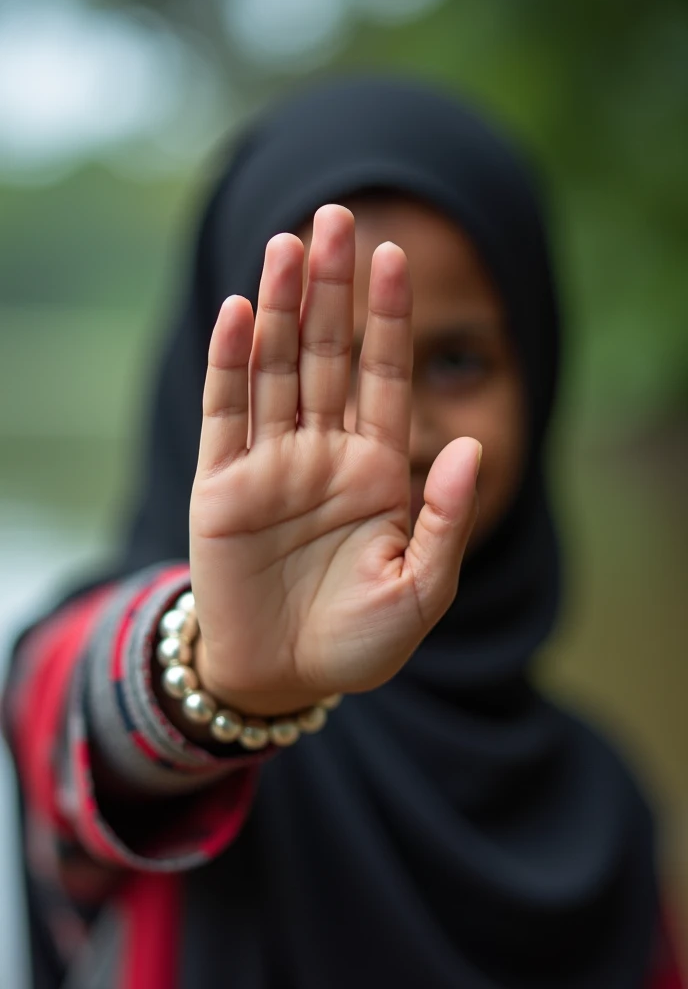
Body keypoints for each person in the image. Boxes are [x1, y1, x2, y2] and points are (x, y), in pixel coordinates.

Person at [1, 77, 683, 989]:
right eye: (329, 364)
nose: (386, 432)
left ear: (542, 374)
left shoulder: (604, 803)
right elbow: (78, 721)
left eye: (453, 360)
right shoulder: (103, 682)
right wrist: (224, 679)